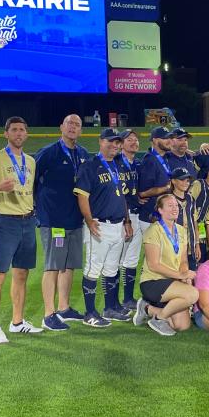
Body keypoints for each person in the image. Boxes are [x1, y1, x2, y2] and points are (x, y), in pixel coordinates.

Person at [0, 116, 42, 344]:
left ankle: (17, 322)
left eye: (22, 130)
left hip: (27, 222)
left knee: (22, 274)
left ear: (27, 133)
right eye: (14, 130)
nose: (19, 133)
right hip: (5, 222)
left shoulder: (30, 162)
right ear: (6, 133)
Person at [34, 114, 91, 330]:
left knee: (69, 266)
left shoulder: (84, 154)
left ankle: (64, 308)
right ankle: (48, 314)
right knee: (53, 266)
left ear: (81, 131)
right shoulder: (49, 153)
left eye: (77, 124)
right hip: (53, 219)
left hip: (75, 219)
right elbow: (32, 180)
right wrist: (36, 208)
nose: (73, 127)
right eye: (69, 123)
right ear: (61, 127)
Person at [74, 128, 134, 327]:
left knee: (111, 269)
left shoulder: (116, 165)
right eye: (110, 141)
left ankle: (110, 308)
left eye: (117, 142)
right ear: (100, 141)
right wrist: (90, 220)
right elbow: (82, 196)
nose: (115, 145)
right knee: (93, 269)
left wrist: (126, 220)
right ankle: (90, 313)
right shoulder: (90, 166)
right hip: (99, 224)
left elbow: (122, 196)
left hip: (118, 225)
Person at [134, 193, 199, 335]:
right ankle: (159, 318)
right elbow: (153, 265)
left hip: (173, 280)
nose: (175, 208)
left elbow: (183, 260)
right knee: (193, 294)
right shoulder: (153, 230)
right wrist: (180, 275)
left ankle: (147, 309)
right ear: (160, 210)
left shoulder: (181, 230)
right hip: (153, 281)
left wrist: (185, 276)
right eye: (170, 206)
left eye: (176, 205)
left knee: (182, 326)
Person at [115, 128, 143, 313]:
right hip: (120, 217)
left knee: (131, 259)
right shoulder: (116, 163)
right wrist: (126, 220)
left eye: (135, 139)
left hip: (136, 215)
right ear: (121, 144)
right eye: (129, 139)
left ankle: (127, 298)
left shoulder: (138, 164)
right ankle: (113, 302)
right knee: (116, 261)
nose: (133, 142)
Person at [137, 126, 174, 232]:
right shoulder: (150, 161)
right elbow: (143, 193)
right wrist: (167, 187)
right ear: (154, 140)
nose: (169, 141)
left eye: (170, 138)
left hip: (162, 215)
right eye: (165, 138)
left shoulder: (165, 157)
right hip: (151, 216)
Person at [167, 166, 200, 267]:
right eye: (182, 180)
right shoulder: (167, 199)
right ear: (173, 181)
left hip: (191, 247)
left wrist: (197, 244)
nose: (186, 183)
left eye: (187, 180)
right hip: (174, 246)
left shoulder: (190, 198)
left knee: (191, 277)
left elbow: (194, 222)